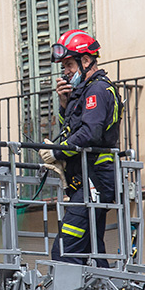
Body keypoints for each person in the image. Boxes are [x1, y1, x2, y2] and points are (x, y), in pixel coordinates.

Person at [41, 29, 121, 267]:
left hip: (95, 179)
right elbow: (75, 128)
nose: (65, 72)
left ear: (86, 61)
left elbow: (90, 133)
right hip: (88, 181)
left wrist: (56, 152)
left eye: (68, 65)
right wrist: (65, 103)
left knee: (65, 252)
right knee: (91, 253)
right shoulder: (84, 91)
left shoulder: (96, 90)